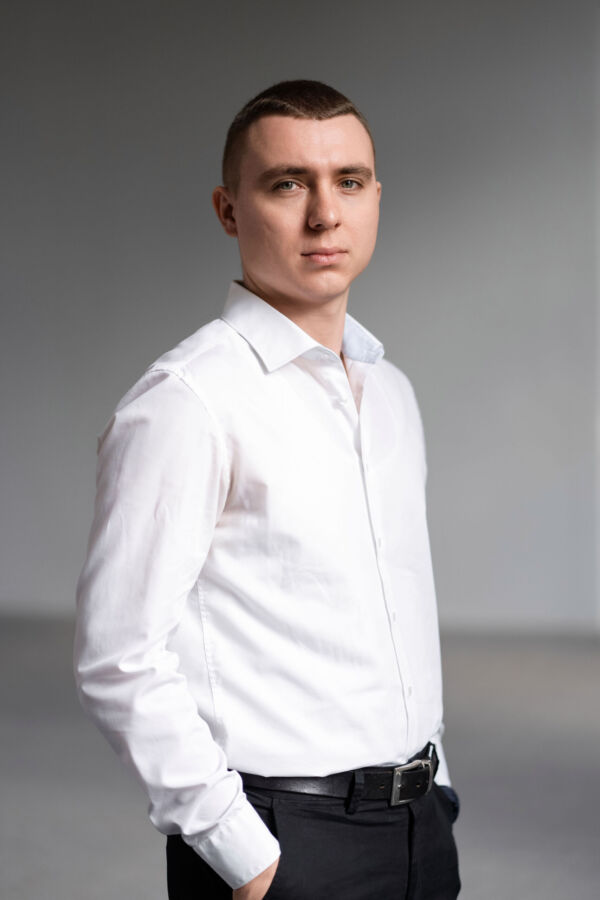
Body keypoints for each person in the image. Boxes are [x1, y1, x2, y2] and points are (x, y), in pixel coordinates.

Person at [74, 80, 461, 900]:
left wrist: (439, 789)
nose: (325, 215)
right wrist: (244, 855)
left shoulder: (391, 394)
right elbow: (117, 655)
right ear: (229, 209)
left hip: (420, 828)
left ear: (376, 198)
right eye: (288, 184)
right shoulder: (187, 401)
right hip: (280, 844)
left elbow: (394, 617)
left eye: (348, 181)